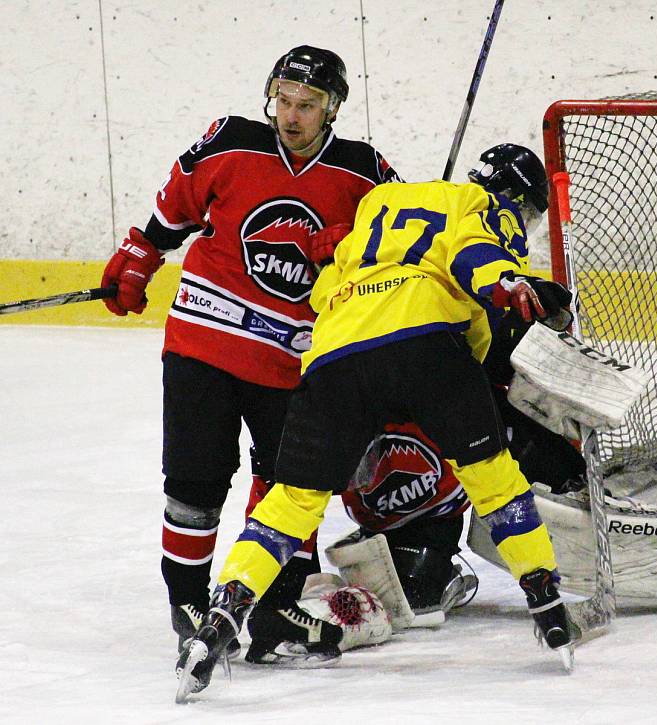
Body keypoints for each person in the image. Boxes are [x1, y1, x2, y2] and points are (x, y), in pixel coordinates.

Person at [174, 142, 578, 701]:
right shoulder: (482, 204)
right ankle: (546, 599)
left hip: (335, 354)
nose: (525, 224)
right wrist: (509, 287)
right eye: (528, 214)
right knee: (492, 474)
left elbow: (326, 290)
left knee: (291, 503)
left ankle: (221, 619)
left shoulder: (377, 204)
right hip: (425, 346)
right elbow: (474, 258)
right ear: (514, 197)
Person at [99, 45, 400, 654]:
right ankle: (187, 601)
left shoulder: (364, 172)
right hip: (204, 341)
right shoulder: (230, 143)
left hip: (295, 361)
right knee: (195, 480)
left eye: (307, 105)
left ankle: (273, 610)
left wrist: (353, 246)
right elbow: (172, 212)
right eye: (283, 102)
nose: (291, 116)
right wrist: (140, 254)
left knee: (293, 486)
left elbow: (398, 242)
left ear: (332, 108)